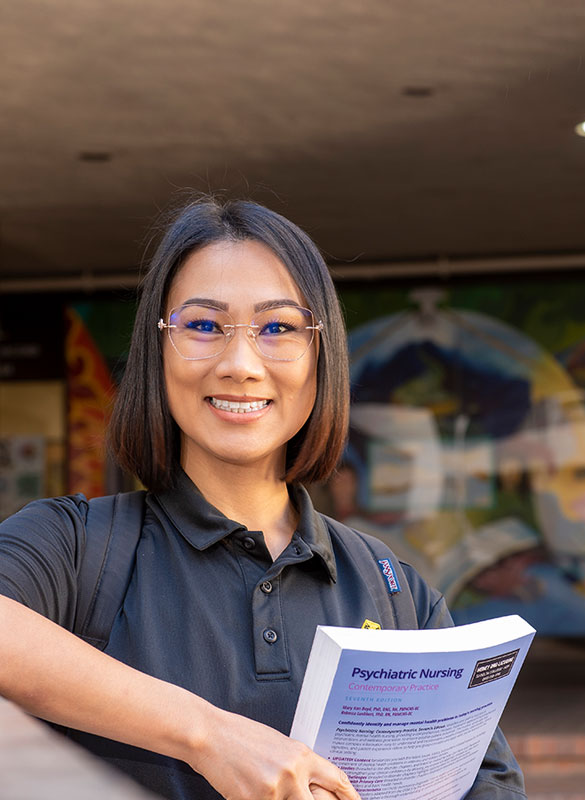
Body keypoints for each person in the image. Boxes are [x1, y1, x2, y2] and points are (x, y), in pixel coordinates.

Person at [0, 197, 526, 800]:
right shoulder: (75, 547)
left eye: (278, 328)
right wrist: (207, 736)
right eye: (203, 326)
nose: (241, 364)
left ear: (319, 356)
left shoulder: (393, 589)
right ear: (159, 347)